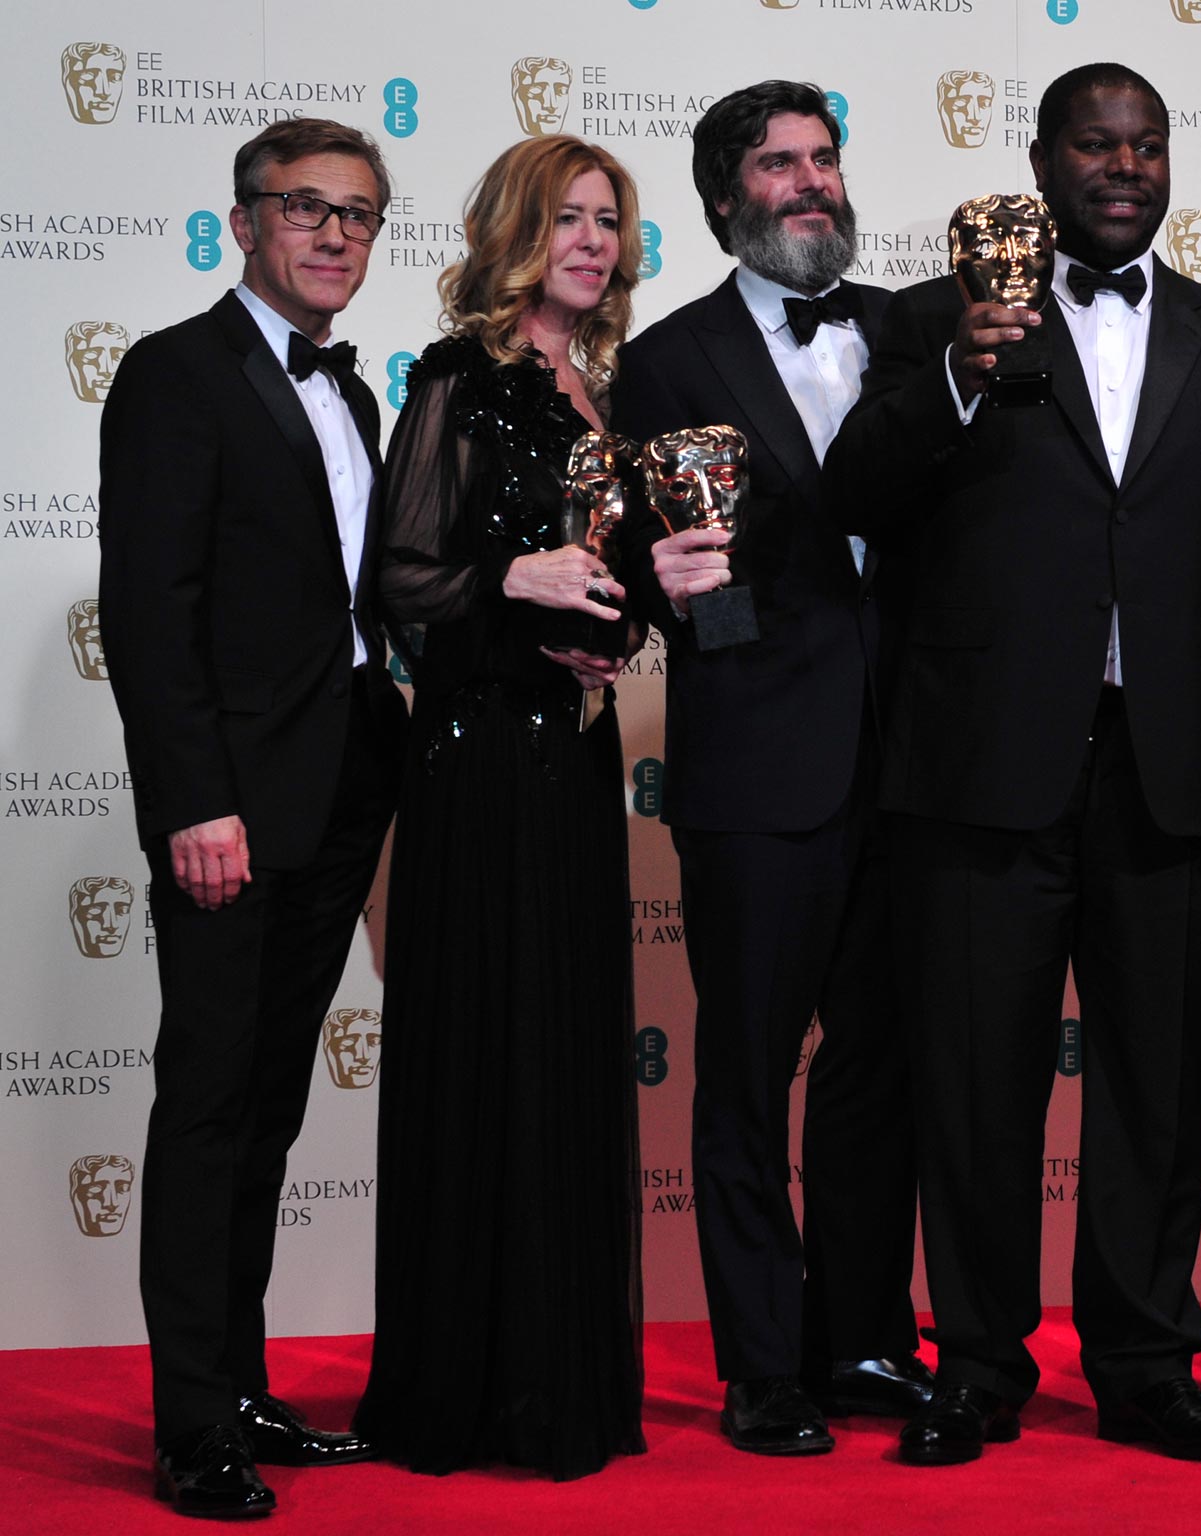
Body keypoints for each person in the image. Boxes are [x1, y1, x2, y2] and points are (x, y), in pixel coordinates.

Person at [824, 61, 1201, 1466]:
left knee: (1160, 1084)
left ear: (1170, 165)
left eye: (1144, 145)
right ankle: (977, 1361)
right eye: (1094, 144)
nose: (1122, 166)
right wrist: (960, 384)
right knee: (974, 1082)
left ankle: (1146, 1362)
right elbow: (853, 500)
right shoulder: (929, 325)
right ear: (1039, 162)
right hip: (979, 767)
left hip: (1166, 767)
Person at [610, 79, 931, 1457]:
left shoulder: (916, 331)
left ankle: (858, 1336)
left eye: (825, 161)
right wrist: (657, 578)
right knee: (746, 1073)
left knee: (880, 1068)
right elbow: (637, 559)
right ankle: (760, 1363)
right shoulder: (669, 360)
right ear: (727, 196)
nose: (811, 185)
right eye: (781, 166)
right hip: (756, 764)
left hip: (915, 763)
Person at [98, 117, 408, 1519]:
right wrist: (194, 804)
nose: (335, 233)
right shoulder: (177, 374)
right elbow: (151, 619)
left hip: (343, 794)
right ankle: (189, 1429)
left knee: (271, 1114)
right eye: (306, 207)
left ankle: (238, 1386)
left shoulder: (354, 394)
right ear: (243, 222)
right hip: (231, 812)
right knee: (212, 1112)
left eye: (359, 213)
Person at [351, 133, 647, 1479]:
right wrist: (511, 587)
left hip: (575, 764)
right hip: (476, 766)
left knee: (562, 1055)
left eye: (608, 222)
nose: (591, 241)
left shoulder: (606, 398)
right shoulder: (460, 380)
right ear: (517, 235)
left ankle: (556, 1380)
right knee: (488, 1053)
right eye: (567, 219)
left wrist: (632, 616)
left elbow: (600, 587)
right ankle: (470, 1392)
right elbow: (403, 580)